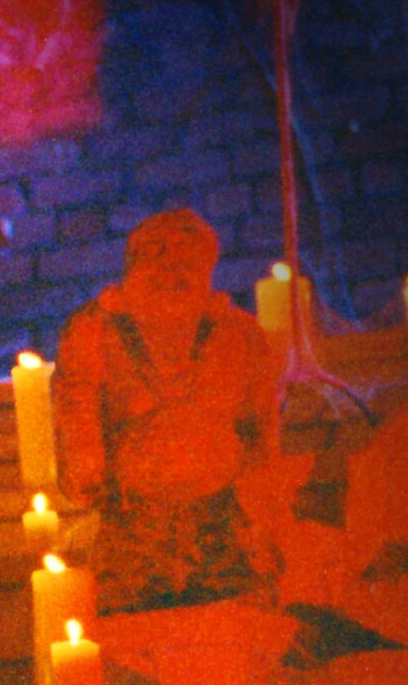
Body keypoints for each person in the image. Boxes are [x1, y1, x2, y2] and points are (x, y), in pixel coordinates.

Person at [52, 208, 284, 612]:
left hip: (220, 526)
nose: (171, 269)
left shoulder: (239, 335)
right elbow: (76, 408)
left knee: (234, 625)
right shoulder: (94, 332)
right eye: (157, 254)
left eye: (187, 259)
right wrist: (88, 470)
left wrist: (262, 509)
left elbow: (258, 430)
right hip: (134, 532)